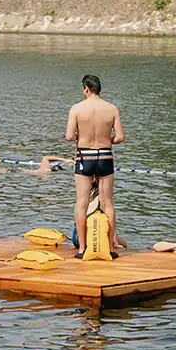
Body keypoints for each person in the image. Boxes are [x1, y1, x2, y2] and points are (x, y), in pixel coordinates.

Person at [67, 74, 125, 256]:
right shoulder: (112, 108)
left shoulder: (76, 109)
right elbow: (120, 137)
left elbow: (69, 136)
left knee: (82, 202)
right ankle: (109, 246)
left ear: (86, 88)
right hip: (105, 156)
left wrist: (81, 137)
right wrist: (107, 140)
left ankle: (83, 248)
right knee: (108, 202)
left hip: (85, 156)